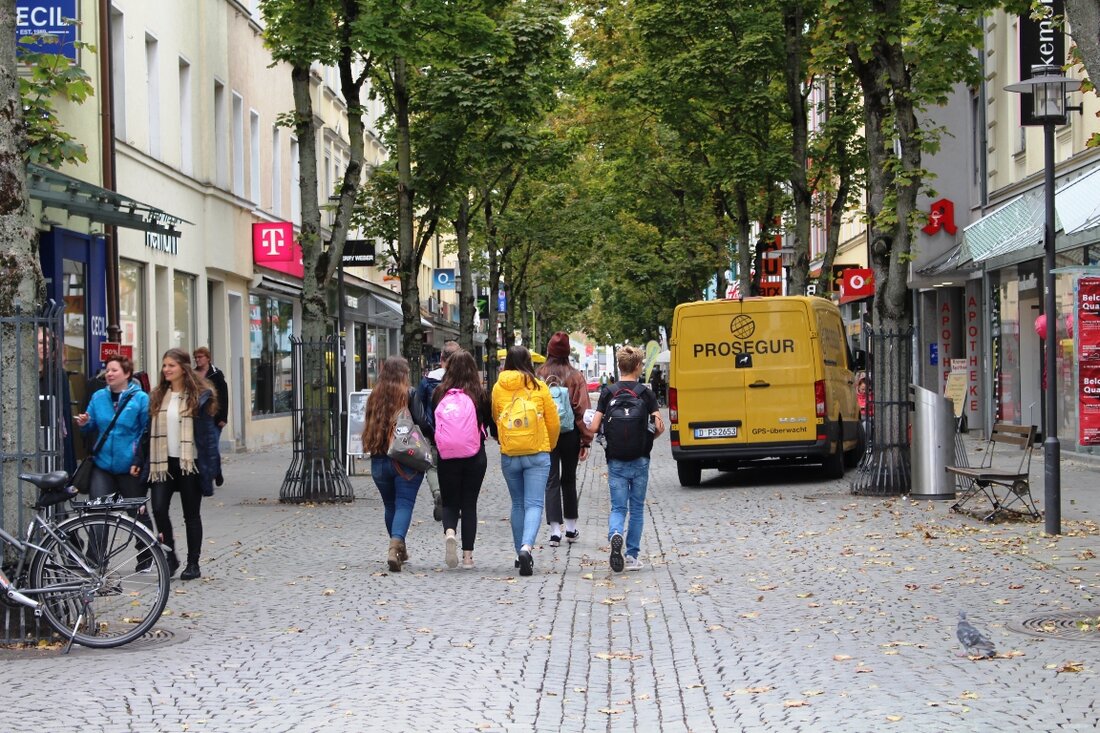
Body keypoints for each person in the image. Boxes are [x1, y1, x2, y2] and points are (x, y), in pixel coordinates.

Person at [145, 348, 221, 581]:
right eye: (164, 365)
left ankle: (193, 563)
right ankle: (170, 557)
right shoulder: (158, 394)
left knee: (191, 514)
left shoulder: (200, 395)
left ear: (183, 368)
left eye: (171, 365)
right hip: (163, 463)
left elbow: (208, 436)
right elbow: (146, 432)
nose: (166, 369)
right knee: (158, 509)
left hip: (191, 462)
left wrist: (213, 467)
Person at [590, 345, 664, 573]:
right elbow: (659, 426)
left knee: (618, 507)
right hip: (640, 457)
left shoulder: (608, 392)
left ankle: (614, 534)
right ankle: (632, 556)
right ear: (639, 366)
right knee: (637, 508)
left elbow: (594, 426)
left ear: (619, 366)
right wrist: (648, 434)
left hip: (616, 459)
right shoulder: (645, 393)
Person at [75, 355, 153, 564]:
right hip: (102, 465)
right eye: (107, 370)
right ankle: (95, 561)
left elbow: (146, 431)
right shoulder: (98, 397)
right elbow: (91, 427)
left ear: (127, 374)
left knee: (136, 512)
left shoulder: (140, 398)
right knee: (97, 512)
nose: (109, 374)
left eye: (114, 370)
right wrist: (85, 423)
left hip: (129, 466)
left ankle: (147, 554)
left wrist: (138, 457)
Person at [362, 356, 434, 572]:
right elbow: (422, 423)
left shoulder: (373, 396)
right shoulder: (409, 393)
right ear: (404, 374)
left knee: (390, 505)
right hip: (405, 459)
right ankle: (394, 547)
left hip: (379, 460)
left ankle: (399, 548)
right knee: (403, 504)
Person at [492, 345, 559, 577]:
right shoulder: (539, 386)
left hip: (510, 453)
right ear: (529, 362)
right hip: (537, 452)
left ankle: (518, 554)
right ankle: (526, 548)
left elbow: (495, 417)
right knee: (534, 504)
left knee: (518, 504)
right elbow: (553, 421)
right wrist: (548, 444)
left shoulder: (498, 387)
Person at [431, 350, 494, 569]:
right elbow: (487, 422)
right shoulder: (479, 393)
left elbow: (433, 423)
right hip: (475, 455)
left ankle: (450, 532)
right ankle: (468, 557)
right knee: (469, 504)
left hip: (447, 455)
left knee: (449, 502)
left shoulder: (440, 392)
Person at [536, 331, 593, 547]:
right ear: (568, 352)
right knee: (568, 479)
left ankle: (554, 532)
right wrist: (585, 440)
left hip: (546, 435)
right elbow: (583, 410)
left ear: (549, 351)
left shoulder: (538, 375)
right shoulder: (575, 376)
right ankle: (570, 528)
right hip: (570, 434)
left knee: (551, 480)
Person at [418, 339, 460, 522]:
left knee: (432, 466)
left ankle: (437, 493)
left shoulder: (428, 380)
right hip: (458, 435)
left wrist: (426, 427)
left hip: (434, 432)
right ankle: (452, 502)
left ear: (441, 357)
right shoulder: (463, 379)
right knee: (456, 468)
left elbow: (418, 404)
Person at [193, 346, 228, 486]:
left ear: (208, 358)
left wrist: (223, 417)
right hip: (198, 416)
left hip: (214, 417)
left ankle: (215, 471)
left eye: (200, 357)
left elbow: (224, 396)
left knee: (211, 444)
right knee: (202, 446)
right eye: (196, 357)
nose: (197, 360)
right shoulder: (193, 374)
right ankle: (211, 471)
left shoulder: (216, 374)